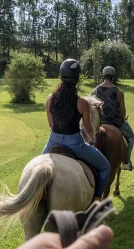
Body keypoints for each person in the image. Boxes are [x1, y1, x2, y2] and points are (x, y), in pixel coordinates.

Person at [42, 59, 110, 201]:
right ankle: (97, 199)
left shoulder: (50, 99)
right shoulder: (82, 103)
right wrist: (92, 139)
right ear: (77, 79)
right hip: (75, 144)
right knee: (105, 167)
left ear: (60, 76)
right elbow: (87, 128)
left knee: (37, 164)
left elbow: (50, 124)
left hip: (52, 141)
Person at [91, 66, 134, 171]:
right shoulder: (119, 92)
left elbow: (92, 110)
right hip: (116, 122)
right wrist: (124, 119)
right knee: (131, 137)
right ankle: (126, 162)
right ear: (113, 77)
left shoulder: (95, 91)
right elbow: (123, 110)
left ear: (103, 76)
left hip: (99, 123)